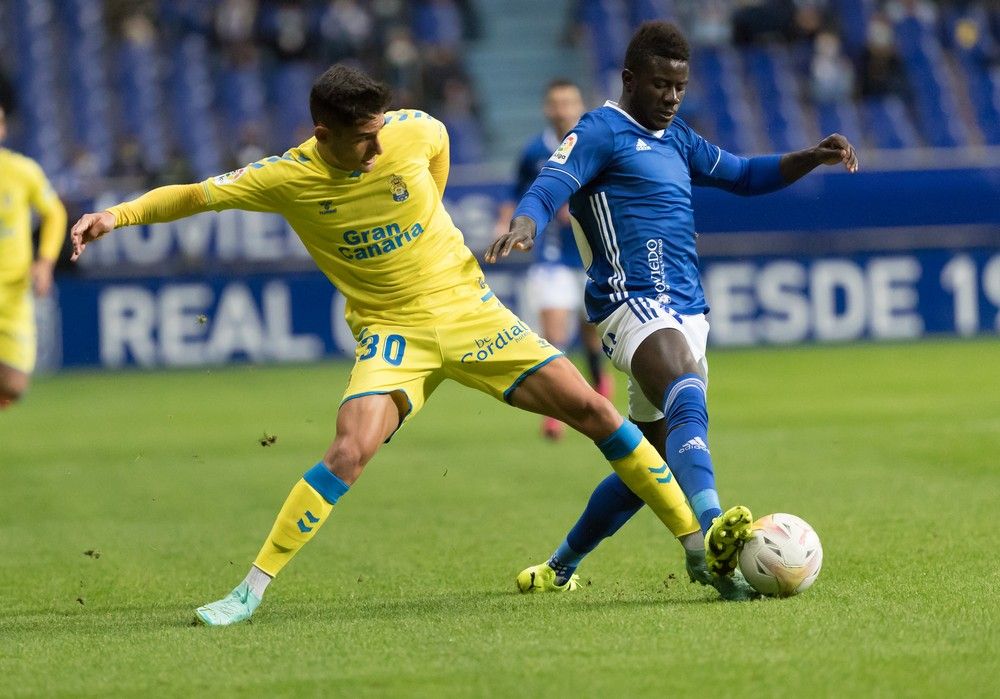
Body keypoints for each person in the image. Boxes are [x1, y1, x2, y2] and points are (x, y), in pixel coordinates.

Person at [69, 64, 745, 626]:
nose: (376, 145)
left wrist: (430, 208)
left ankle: (693, 547)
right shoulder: (286, 177)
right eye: (362, 138)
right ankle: (250, 590)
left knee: (598, 415)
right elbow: (195, 196)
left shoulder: (410, 131)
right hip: (393, 332)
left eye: (379, 130)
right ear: (323, 133)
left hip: (471, 312)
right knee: (349, 448)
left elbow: (438, 144)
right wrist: (115, 216)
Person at [487, 21, 858, 595]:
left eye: (678, 88)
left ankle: (559, 566)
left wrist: (811, 155)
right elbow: (549, 182)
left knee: (646, 461)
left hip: (687, 308)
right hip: (626, 301)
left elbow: (741, 174)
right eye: (660, 85)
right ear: (630, 79)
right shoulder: (600, 131)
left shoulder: (677, 137)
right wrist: (526, 223)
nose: (670, 97)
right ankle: (713, 530)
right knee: (683, 381)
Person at [495, 79, 613, 441]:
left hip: (593, 257)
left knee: (591, 336)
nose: (562, 109)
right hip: (551, 260)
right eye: (556, 103)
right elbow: (517, 194)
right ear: (547, 108)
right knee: (554, 336)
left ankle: (600, 386)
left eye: (568, 102)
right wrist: (506, 224)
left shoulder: (597, 144)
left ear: (580, 105)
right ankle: (555, 414)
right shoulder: (535, 151)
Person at [0, 105, 68, 408]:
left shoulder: (21, 170)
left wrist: (45, 262)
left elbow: (54, 212)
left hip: (13, 291)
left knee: (13, 385)